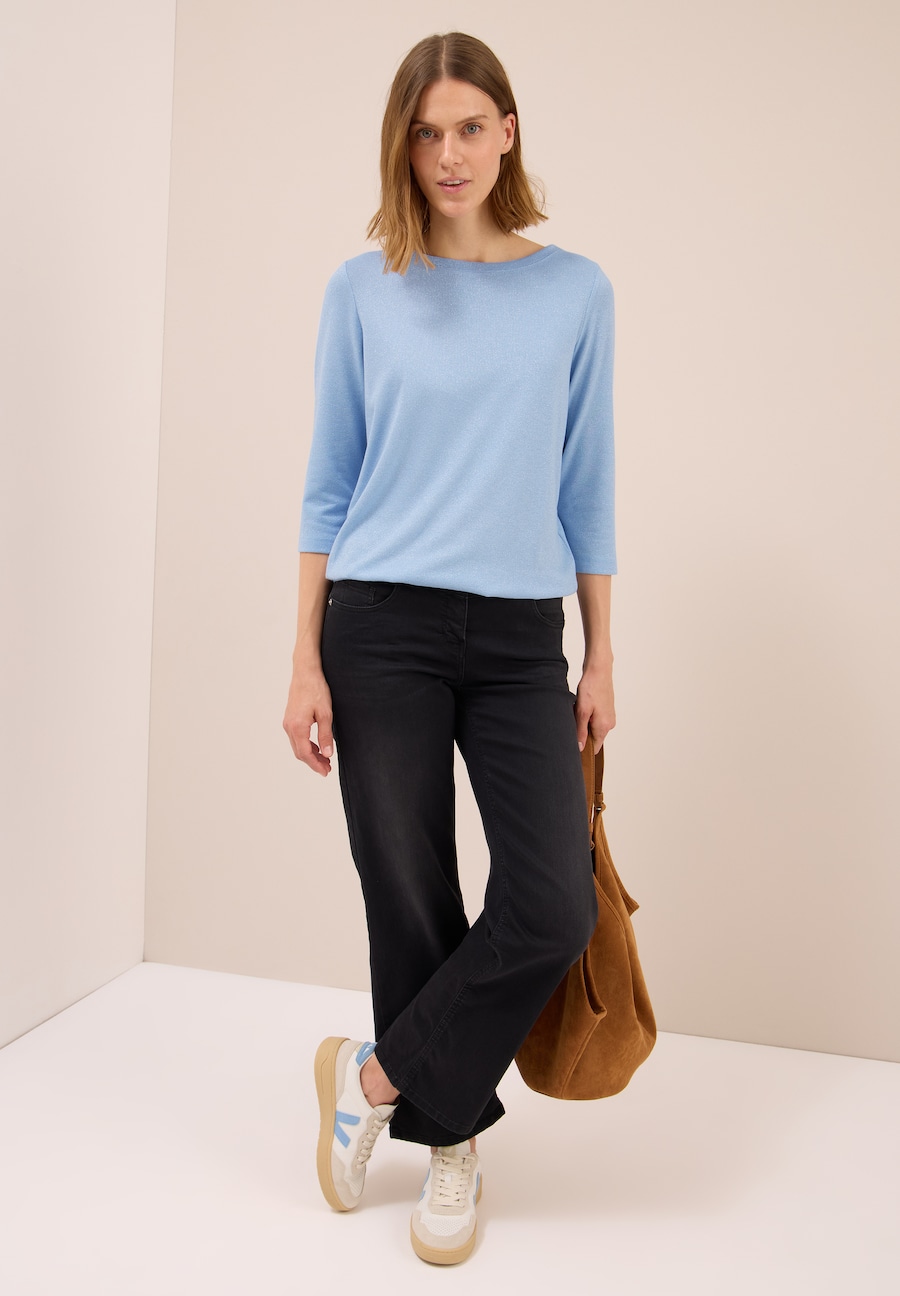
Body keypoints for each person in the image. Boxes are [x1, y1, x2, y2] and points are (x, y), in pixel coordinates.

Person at [283, 30, 616, 1266]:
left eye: (471, 127)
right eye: (426, 134)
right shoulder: (362, 289)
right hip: (379, 626)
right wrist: (304, 657)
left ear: (509, 132)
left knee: (553, 903)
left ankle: (377, 1077)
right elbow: (328, 486)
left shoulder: (576, 291)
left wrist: (603, 651)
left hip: (523, 634)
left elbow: (588, 485)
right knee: (409, 888)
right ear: (403, 147)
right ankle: (453, 1138)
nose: (449, 155)